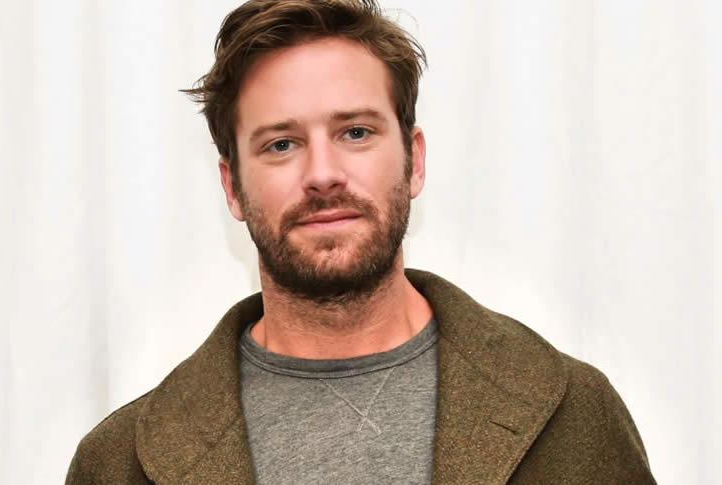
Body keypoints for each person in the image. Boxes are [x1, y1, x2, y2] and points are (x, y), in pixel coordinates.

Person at [66, 0, 657, 483]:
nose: (323, 174)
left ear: (414, 160)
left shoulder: (575, 414)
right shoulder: (118, 464)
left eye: (355, 132)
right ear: (233, 188)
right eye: (281, 144)